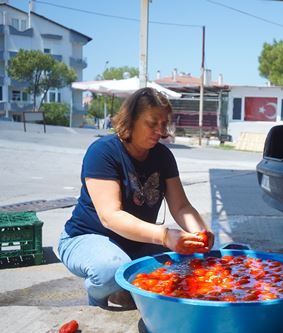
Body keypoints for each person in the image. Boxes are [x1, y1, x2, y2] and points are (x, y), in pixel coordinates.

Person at [58, 87, 214, 308]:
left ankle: (123, 290)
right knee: (111, 271)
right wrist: (164, 236)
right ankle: (98, 298)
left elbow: (181, 207)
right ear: (131, 119)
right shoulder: (103, 152)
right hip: (87, 237)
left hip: (137, 242)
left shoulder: (163, 156)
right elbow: (110, 217)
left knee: (191, 264)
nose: (160, 131)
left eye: (164, 123)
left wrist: (201, 234)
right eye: (152, 123)